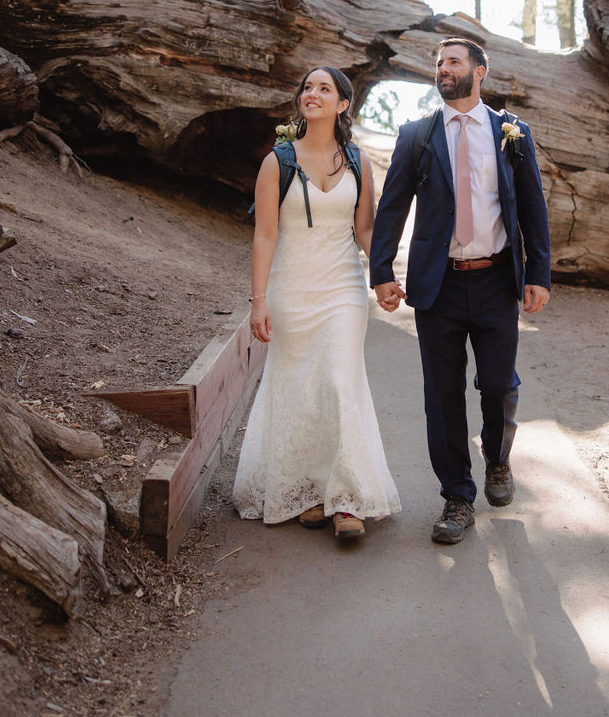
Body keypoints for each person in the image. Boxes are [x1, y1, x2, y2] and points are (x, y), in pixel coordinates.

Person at [369, 38, 550, 545]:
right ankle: (457, 495)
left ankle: (497, 459)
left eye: (453, 62)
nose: (442, 69)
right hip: (438, 285)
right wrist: (381, 270)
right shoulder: (417, 134)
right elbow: (393, 207)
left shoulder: (511, 133)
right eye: (438, 63)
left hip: (496, 280)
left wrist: (538, 273)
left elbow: (533, 208)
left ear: (480, 72)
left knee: (497, 384)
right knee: (442, 393)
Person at [233, 66, 400, 542]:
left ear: (343, 104)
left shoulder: (358, 162)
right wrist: (258, 301)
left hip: (343, 289)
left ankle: (348, 501)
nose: (313, 94)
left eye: (325, 89)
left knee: (339, 380)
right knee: (301, 388)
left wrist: (382, 278)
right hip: (291, 288)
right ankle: (308, 491)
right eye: (308, 87)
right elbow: (265, 235)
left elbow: (364, 229)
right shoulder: (277, 161)